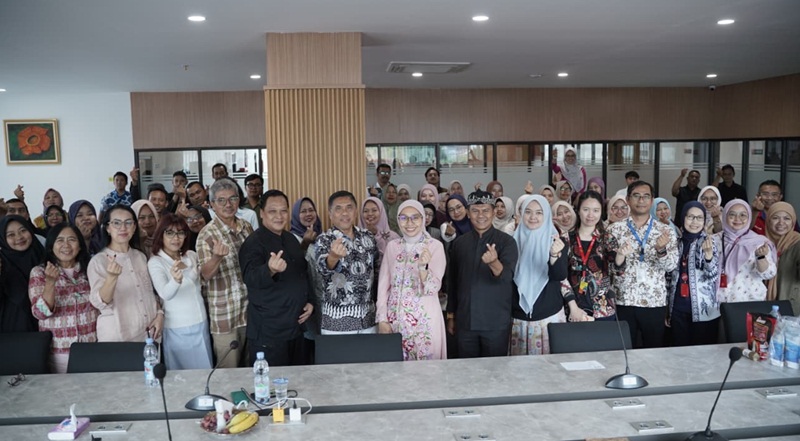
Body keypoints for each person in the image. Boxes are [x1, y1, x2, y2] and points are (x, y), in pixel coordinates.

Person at [239, 190, 315, 366]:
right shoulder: (253, 243)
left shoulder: (291, 239)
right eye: (273, 211)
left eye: (283, 211)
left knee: (299, 378)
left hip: (296, 326)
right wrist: (269, 269)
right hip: (269, 332)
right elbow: (250, 277)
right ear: (262, 213)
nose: (279, 216)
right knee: (272, 381)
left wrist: (310, 301)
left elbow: (303, 273)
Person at [606, 181, 679, 348]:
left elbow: (671, 266)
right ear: (628, 199)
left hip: (653, 301)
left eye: (646, 196)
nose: (641, 200)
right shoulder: (614, 230)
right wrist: (620, 258)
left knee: (652, 351)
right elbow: (609, 268)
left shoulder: (665, 230)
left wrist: (661, 250)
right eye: (636, 196)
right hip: (623, 300)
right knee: (623, 350)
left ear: (651, 200)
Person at [446, 191, 518, 358]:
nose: (480, 215)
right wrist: (451, 315)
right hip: (465, 322)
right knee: (467, 369)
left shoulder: (507, 242)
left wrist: (494, 263)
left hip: (495, 323)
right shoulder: (459, 243)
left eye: (485, 210)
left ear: (493, 212)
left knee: (495, 370)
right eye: (475, 211)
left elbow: (507, 277)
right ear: (468, 213)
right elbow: (452, 282)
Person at [377, 200, 447, 360]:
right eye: (403, 218)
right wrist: (382, 319)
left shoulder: (434, 246)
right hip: (395, 322)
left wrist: (422, 268)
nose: (409, 223)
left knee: (426, 370)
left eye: (415, 217)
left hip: (424, 322)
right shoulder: (392, 246)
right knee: (397, 369)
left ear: (423, 219)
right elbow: (383, 286)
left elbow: (433, 288)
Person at [196, 179, 254, 367]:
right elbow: (205, 275)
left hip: (250, 312)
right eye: (221, 200)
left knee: (251, 368)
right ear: (212, 204)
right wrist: (216, 258)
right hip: (225, 317)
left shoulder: (246, 227)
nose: (228, 204)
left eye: (232, 198)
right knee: (228, 373)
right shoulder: (206, 234)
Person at [88, 205, 164, 342]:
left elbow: (150, 292)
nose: (123, 228)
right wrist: (112, 277)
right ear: (107, 228)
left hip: (149, 333)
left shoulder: (140, 256)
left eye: (128, 222)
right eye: (116, 223)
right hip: (118, 337)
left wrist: (159, 314)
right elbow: (101, 302)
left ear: (134, 227)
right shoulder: (98, 261)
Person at [28, 224, 97, 373]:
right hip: (59, 352)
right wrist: (50, 283)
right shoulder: (39, 272)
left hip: (91, 348)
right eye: (60, 240)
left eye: (72, 239)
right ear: (51, 246)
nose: (66, 245)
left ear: (80, 245)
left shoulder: (89, 269)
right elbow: (40, 313)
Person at [147, 213, 213, 370]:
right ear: (161, 235)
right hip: (177, 327)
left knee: (206, 371)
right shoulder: (156, 262)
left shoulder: (190, 255)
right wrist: (175, 280)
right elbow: (165, 293)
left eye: (180, 233)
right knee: (182, 376)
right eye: (169, 233)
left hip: (201, 321)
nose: (176, 238)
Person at [510, 195, 569, 355]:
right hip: (519, 318)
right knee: (518, 366)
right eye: (528, 212)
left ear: (547, 215)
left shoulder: (557, 242)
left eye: (539, 212)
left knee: (549, 366)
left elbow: (559, 275)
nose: (533, 217)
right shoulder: (511, 242)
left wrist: (554, 255)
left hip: (548, 317)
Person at [315, 191, 380, 334]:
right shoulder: (324, 239)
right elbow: (322, 269)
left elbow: (377, 272)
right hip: (337, 324)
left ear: (355, 211)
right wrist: (333, 256)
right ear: (330, 214)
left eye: (349, 207)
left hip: (368, 320)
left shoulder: (368, 237)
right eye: (338, 209)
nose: (344, 213)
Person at [666, 202, 720, 346]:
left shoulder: (709, 242)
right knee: (679, 350)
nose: (694, 222)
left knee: (702, 352)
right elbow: (669, 277)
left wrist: (708, 257)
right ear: (683, 218)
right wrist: (667, 309)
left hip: (704, 310)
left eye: (699, 218)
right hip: (677, 308)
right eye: (690, 217)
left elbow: (713, 276)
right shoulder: (676, 242)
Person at [564, 191, 623, 322]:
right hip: (574, 309)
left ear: (601, 212)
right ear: (578, 210)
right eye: (586, 209)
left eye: (596, 210)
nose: (591, 215)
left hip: (603, 308)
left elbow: (618, 272)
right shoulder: (567, 239)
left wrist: (621, 256)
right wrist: (572, 306)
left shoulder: (607, 239)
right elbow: (561, 276)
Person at [716, 199, 776, 303]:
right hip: (718, 303)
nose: (737, 219)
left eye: (743, 215)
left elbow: (768, 274)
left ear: (749, 217)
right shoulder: (714, 240)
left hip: (749, 302)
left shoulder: (759, 242)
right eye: (732, 215)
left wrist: (760, 257)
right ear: (725, 216)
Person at [0, 215, 44, 332]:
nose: (19, 237)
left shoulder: (42, 255)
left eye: (23, 230)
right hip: (13, 329)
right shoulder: (2, 263)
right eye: (11, 235)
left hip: (46, 327)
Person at [765, 202, 800, 304]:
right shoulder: (761, 243)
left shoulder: (797, 243)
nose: (781, 222)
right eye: (775, 218)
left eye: (787, 218)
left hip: (792, 304)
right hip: (764, 304)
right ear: (768, 220)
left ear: (793, 222)